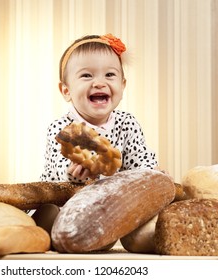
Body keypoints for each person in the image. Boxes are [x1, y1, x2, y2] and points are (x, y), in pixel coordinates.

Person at [40, 34, 158, 183]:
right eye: (87, 75)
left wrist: (151, 173)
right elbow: (58, 168)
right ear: (66, 91)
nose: (99, 83)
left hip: (111, 201)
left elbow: (139, 159)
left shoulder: (127, 123)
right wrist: (72, 172)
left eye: (109, 74)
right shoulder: (62, 129)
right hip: (64, 199)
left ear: (122, 86)